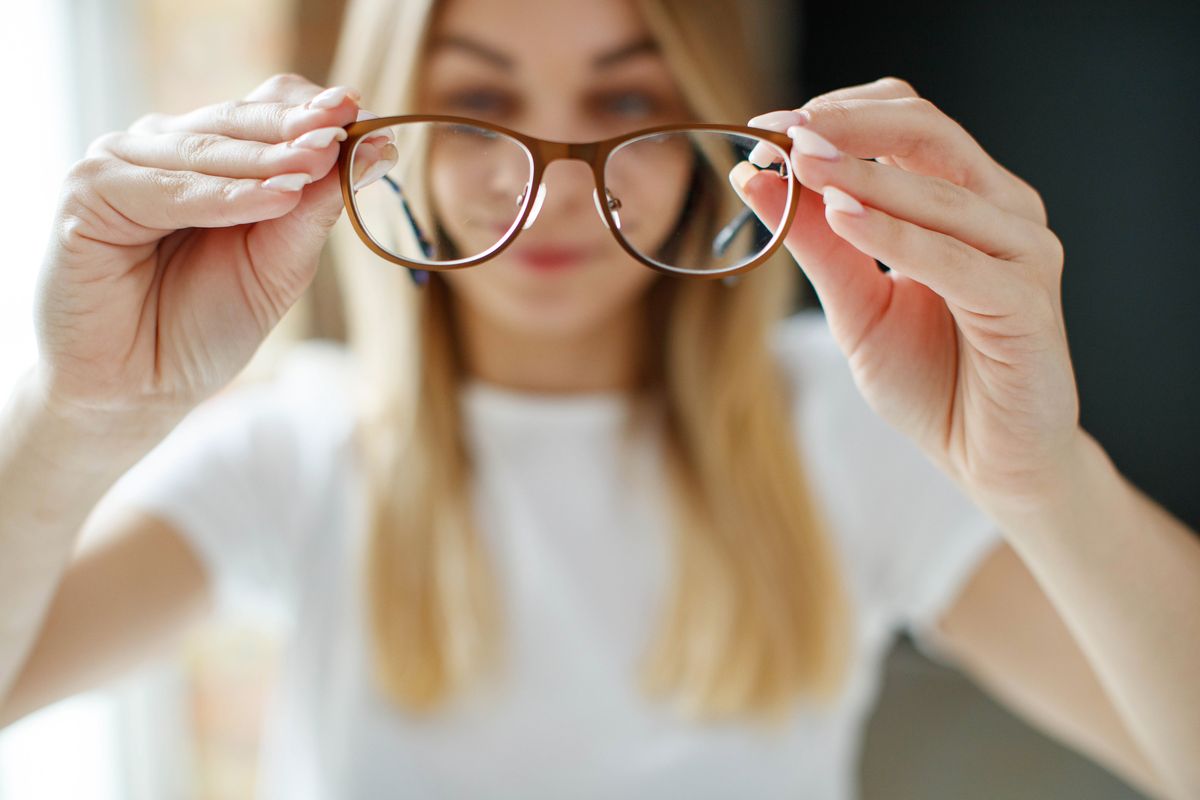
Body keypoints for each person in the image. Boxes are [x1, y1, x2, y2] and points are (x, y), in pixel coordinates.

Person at [1, 0, 1198, 798]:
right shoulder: (300, 448)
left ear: (707, 138)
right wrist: (78, 415)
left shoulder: (844, 427)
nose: (553, 181)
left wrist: (1047, 474)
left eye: (624, 104)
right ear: (383, 133)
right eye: (479, 105)